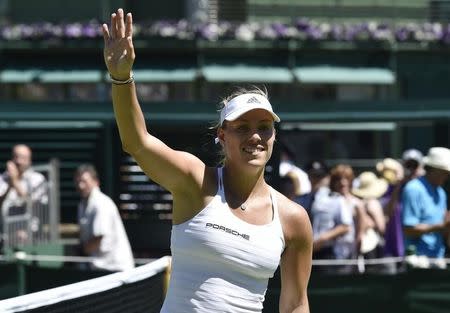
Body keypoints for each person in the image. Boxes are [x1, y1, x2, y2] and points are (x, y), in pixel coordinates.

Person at [102, 8, 312, 312]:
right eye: (242, 128)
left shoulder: (294, 219)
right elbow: (137, 142)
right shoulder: (195, 181)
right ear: (223, 136)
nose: (255, 137)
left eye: (264, 128)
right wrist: (121, 79)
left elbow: (295, 303)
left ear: (274, 136)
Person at [74, 164, 134, 272]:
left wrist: (81, 251)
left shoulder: (101, 203)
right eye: (78, 182)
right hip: (100, 269)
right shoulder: (82, 205)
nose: (81, 186)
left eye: (84, 181)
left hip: (116, 269)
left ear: (95, 182)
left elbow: (98, 237)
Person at [401, 147, 450, 268]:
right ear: (433, 169)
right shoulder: (413, 189)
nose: (447, 176)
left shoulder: (441, 193)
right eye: (445, 172)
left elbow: (443, 229)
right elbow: (408, 229)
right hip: (417, 261)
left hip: (438, 259)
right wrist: (440, 226)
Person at [0, 144, 47, 246]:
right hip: (5, 237)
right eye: (16, 157)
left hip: (31, 238)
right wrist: (9, 185)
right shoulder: (2, 179)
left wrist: (15, 182)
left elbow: (31, 204)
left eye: (23, 158)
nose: (18, 161)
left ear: (29, 161)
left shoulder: (38, 179)